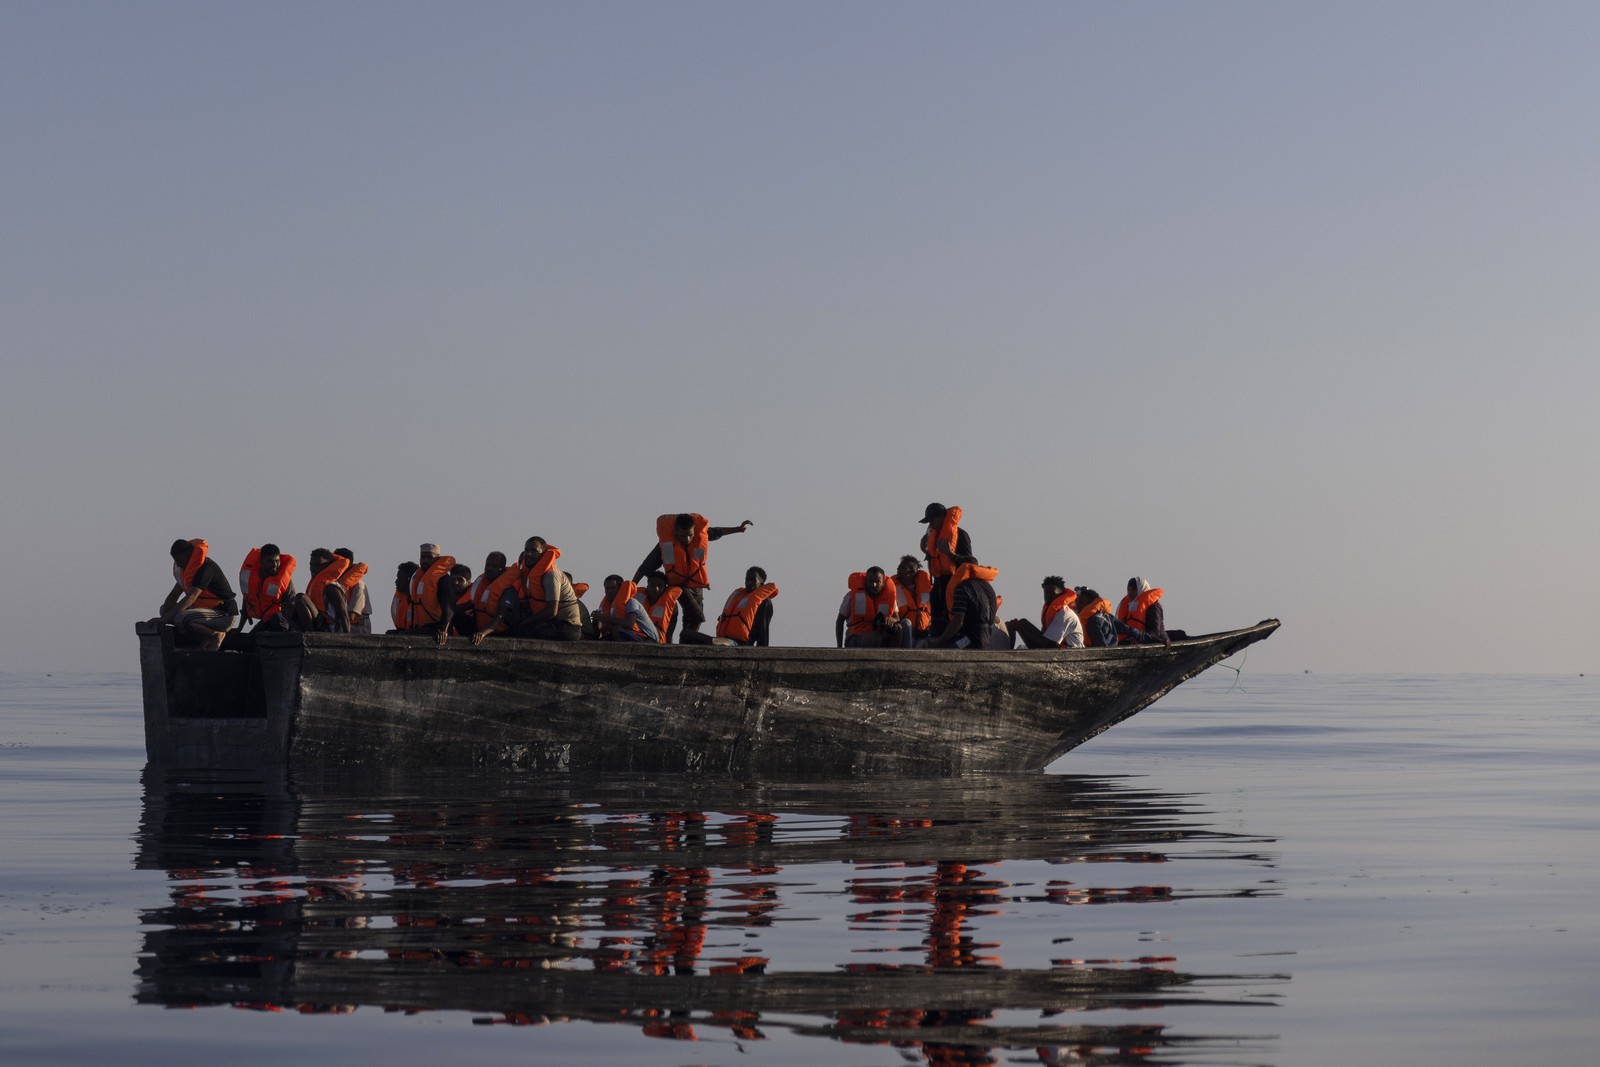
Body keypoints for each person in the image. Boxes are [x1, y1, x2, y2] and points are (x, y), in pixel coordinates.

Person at [632, 513, 753, 642]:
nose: (687, 539)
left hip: (696, 586)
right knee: (698, 617)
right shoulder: (666, 544)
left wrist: (738, 529)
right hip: (679, 585)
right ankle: (681, 639)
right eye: (683, 536)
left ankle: (685, 644)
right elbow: (645, 567)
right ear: (676, 532)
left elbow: (718, 532)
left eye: (690, 535)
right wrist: (631, 587)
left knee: (692, 620)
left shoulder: (700, 536)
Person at [474, 537, 583, 643]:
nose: (529, 554)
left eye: (534, 551)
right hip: (552, 623)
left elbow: (551, 611)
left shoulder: (550, 575)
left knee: (521, 631)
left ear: (543, 554)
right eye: (526, 550)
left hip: (567, 627)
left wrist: (526, 622)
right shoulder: (530, 575)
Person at [155, 538, 238, 649]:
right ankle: (204, 636)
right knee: (164, 610)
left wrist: (165, 619)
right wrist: (164, 617)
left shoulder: (206, 568)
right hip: (203, 612)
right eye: (176, 562)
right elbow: (174, 594)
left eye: (180, 561)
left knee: (181, 618)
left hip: (223, 615)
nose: (178, 565)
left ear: (190, 555)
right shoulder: (186, 571)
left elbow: (191, 597)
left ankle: (215, 634)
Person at [917, 503, 975, 637]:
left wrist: (950, 553)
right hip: (938, 586)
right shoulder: (934, 537)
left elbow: (971, 563)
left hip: (956, 585)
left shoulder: (961, 535)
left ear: (942, 517)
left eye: (932, 519)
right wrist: (925, 550)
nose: (931, 524)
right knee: (937, 621)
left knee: (952, 620)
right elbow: (935, 560)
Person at [926, 561, 1002, 651]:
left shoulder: (962, 588)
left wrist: (939, 641)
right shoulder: (987, 587)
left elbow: (958, 623)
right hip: (988, 637)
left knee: (941, 651)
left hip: (972, 637)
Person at [836, 567, 911, 649]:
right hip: (856, 636)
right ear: (866, 581)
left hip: (879, 634)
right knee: (873, 637)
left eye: (878, 582)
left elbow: (897, 618)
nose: (874, 585)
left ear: (883, 583)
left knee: (898, 629)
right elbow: (840, 620)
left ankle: (893, 656)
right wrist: (839, 647)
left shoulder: (890, 597)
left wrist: (889, 620)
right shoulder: (851, 596)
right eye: (870, 581)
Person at [1008, 576, 1084, 649]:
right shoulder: (1052, 612)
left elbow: (1050, 645)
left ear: (1060, 594)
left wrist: (1020, 628)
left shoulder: (1064, 615)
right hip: (1053, 647)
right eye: (1046, 592)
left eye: (1052, 593)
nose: (1048, 596)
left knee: (1020, 625)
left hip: (1068, 652)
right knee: (1022, 623)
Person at [236, 544, 298, 634]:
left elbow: (292, 606)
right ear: (261, 562)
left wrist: (294, 633)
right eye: (270, 561)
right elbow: (247, 598)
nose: (275, 565)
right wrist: (240, 627)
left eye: (277, 561)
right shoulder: (252, 579)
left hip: (282, 622)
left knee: (275, 619)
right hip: (265, 621)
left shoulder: (284, 581)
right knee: (248, 640)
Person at [406, 543, 458, 644]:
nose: (425, 560)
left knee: (405, 638)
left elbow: (449, 608)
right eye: (423, 557)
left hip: (437, 626)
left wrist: (442, 629)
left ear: (437, 559)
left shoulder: (443, 579)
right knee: (392, 634)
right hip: (423, 627)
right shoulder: (418, 578)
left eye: (429, 557)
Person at [714, 566, 778, 646]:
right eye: (747, 579)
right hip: (725, 639)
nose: (749, 582)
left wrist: (762, 651)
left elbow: (763, 630)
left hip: (741, 643)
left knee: (712, 641)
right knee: (700, 639)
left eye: (753, 580)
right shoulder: (739, 597)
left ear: (761, 585)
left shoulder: (765, 603)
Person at [298, 547, 354, 633]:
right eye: (311, 565)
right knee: (287, 608)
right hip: (318, 622)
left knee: (301, 597)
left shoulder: (331, 588)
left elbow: (344, 615)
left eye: (318, 565)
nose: (313, 568)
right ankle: (304, 633)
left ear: (328, 566)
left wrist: (347, 637)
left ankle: (311, 635)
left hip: (330, 628)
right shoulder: (315, 584)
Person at [595, 575, 661, 643]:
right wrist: (598, 620)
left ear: (620, 589)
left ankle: (622, 649)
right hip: (631, 635)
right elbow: (605, 629)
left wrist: (604, 618)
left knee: (616, 629)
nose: (609, 591)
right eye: (607, 588)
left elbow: (629, 624)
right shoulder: (610, 608)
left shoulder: (632, 602)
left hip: (648, 639)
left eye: (613, 588)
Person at [1117, 577, 1180, 645]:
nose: (1130, 592)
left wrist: (1139, 640)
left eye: (1134, 589)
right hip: (1136, 643)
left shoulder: (1153, 607)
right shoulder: (1128, 607)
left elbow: (1155, 632)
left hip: (1158, 644)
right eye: (1128, 589)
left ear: (1141, 589)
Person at [893, 555, 933, 643]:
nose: (898, 569)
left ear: (912, 571)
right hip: (906, 631)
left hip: (926, 631)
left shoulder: (927, 585)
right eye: (899, 566)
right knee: (906, 623)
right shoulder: (893, 587)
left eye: (902, 567)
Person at [334, 548, 373, 634]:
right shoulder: (336, 583)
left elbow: (352, 616)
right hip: (343, 624)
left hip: (358, 627)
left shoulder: (358, 586)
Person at [640, 571, 682, 645]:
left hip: (656, 641)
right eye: (652, 585)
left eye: (660, 586)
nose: (656, 589)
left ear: (664, 588)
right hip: (636, 636)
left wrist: (669, 649)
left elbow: (669, 633)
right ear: (647, 586)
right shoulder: (636, 599)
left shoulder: (671, 606)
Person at [390, 561, 419, 632]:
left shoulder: (420, 599)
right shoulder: (399, 599)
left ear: (408, 579)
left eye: (399, 578)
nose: (396, 581)